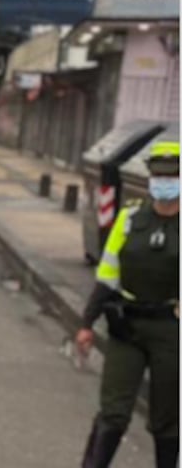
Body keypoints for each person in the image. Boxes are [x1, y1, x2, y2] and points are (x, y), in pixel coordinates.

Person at [76, 140, 179, 468]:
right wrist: (86, 323)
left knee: (167, 419)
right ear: (150, 178)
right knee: (114, 412)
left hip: (171, 330)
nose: (165, 182)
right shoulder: (130, 218)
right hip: (128, 327)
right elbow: (108, 274)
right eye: (159, 176)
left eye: (173, 176)